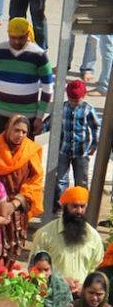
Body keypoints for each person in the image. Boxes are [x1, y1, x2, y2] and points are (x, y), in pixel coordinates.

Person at [0, 115, 43, 267]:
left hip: (17, 211)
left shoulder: (31, 151)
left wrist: (14, 203)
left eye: (24, 132)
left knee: (13, 249)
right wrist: (0, 203)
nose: (19, 135)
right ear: (8, 128)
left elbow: (36, 182)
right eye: (16, 130)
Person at [0, 18, 53, 139]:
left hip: (27, 116)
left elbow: (48, 88)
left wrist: (39, 117)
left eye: (20, 38)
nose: (16, 42)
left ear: (27, 34)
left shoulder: (39, 55)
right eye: (13, 37)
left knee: (22, 155)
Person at [32, 187, 104, 295]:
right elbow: (33, 268)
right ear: (65, 207)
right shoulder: (44, 234)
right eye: (74, 206)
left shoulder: (93, 237)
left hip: (83, 297)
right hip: (52, 296)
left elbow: (98, 270)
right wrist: (59, 281)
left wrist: (85, 287)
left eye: (82, 206)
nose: (79, 211)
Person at [54, 80, 99, 210]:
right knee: (61, 180)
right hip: (64, 149)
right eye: (71, 100)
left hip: (81, 151)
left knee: (81, 180)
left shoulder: (87, 110)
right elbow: (52, 121)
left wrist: (94, 144)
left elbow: (96, 127)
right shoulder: (63, 108)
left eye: (76, 100)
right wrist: (41, 127)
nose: (73, 103)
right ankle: (62, 206)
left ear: (83, 97)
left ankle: (82, 205)